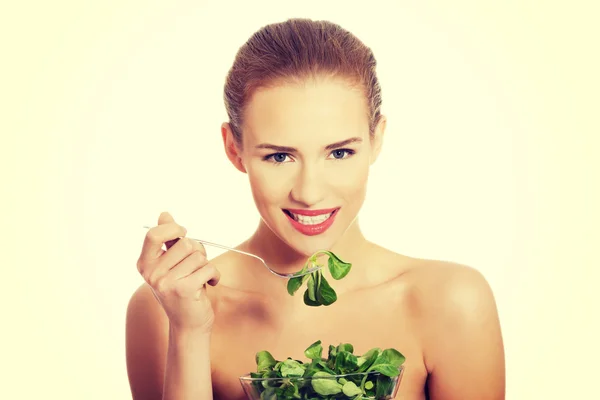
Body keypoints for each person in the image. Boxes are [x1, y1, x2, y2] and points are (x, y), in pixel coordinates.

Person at [125, 18, 505, 400]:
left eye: (340, 152)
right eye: (278, 156)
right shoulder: (166, 309)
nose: (309, 193)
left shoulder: (451, 301)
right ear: (234, 148)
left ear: (377, 139)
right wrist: (190, 332)